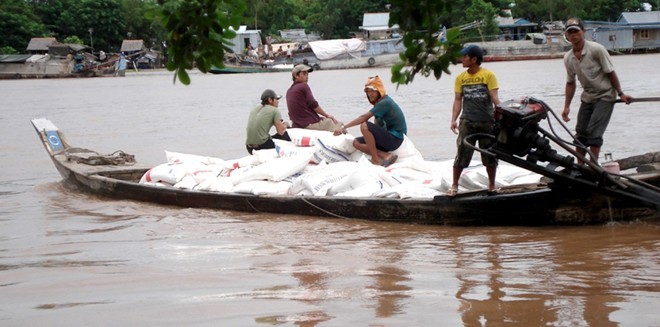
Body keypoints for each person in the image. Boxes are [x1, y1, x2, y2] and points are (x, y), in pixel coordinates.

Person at [561, 17, 633, 164]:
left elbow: (610, 72)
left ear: (583, 32)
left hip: (605, 95)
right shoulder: (568, 57)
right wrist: (566, 107)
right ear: (567, 36)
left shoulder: (596, 49)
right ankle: (580, 166)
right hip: (588, 97)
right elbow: (570, 83)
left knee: (594, 133)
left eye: (576, 31)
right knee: (580, 133)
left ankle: (593, 166)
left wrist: (621, 94)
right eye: (570, 33)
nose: (573, 35)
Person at [448, 45, 501, 197]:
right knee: (462, 154)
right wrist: (453, 119)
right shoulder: (460, 78)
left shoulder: (488, 75)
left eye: (465, 56)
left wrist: (503, 111)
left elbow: (494, 97)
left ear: (474, 59)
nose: (462, 59)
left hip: (487, 122)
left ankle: (491, 186)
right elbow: (458, 100)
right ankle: (455, 186)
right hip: (467, 122)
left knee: (490, 154)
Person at [334, 75, 405, 167]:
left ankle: (375, 160)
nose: (370, 94)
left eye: (373, 91)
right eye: (368, 91)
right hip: (388, 138)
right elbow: (378, 126)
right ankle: (385, 155)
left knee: (364, 125)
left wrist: (344, 127)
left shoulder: (385, 102)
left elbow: (364, 117)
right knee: (356, 142)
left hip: (395, 139)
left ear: (379, 90)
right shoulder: (378, 105)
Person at [286, 64, 341, 132]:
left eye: (307, 74)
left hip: (297, 124)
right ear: (296, 76)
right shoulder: (303, 86)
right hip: (308, 124)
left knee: (326, 120)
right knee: (333, 123)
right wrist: (327, 115)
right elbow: (313, 104)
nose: (307, 77)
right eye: (304, 74)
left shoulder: (289, 91)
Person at [245, 89, 290, 154]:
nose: (278, 101)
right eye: (276, 99)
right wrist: (286, 124)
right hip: (263, 146)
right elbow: (281, 132)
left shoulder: (254, 108)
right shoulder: (274, 110)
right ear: (270, 100)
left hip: (249, 147)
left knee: (269, 137)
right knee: (285, 134)